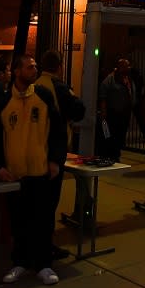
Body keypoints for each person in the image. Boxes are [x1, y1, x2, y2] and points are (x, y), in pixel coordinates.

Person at [0, 54, 64, 286]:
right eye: (30, 67)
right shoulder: (3, 101)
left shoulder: (43, 96)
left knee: (43, 219)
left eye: (36, 66)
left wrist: (55, 161)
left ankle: (44, 264)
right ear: (17, 71)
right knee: (18, 219)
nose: (35, 70)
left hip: (40, 172)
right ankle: (19, 262)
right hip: (15, 173)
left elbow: (57, 132)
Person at [33, 50, 85, 260]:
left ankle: (33, 240)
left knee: (36, 200)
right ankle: (45, 245)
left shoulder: (35, 85)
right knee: (48, 202)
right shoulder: (59, 88)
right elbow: (78, 110)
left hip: (34, 148)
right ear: (60, 66)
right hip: (52, 152)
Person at [97, 58, 134, 161]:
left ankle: (116, 154)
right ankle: (110, 154)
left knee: (120, 134)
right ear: (120, 67)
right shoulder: (110, 79)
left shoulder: (127, 78)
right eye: (126, 66)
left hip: (124, 113)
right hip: (112, 113)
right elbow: (103, 96)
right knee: (109, 134)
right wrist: (104, 112)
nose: (128, 68)